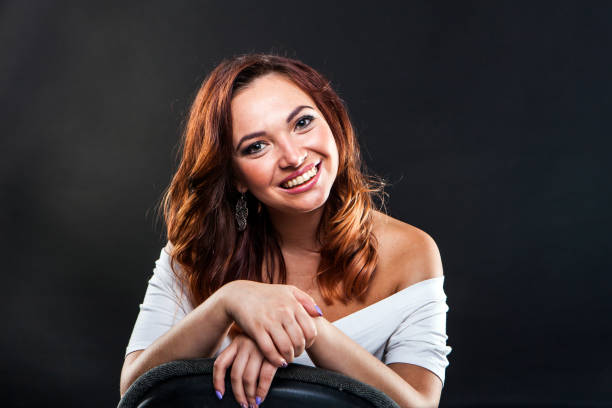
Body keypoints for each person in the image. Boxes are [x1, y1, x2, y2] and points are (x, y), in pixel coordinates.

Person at [120, 54, 452, 408]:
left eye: (303, 122)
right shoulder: (195, 249)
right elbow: (135, 390)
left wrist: (301, 330)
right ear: (236, 177)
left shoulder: (412, 251)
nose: (293, 156)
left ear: (333, 122)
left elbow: (419, 405)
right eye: (257, 146)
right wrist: (227, 302)